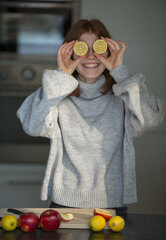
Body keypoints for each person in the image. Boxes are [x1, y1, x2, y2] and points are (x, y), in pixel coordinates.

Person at [17, 19, 165, 215]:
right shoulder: (56, 93)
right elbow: (31, 125)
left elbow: (151, 120)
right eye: (81, 48)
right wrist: (62, 74)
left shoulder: (124, 95)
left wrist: (120, 72)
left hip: (111, 204)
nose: (89, 56)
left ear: (108, 51)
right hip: (64, 203)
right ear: (69, 52)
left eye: (97, 47)